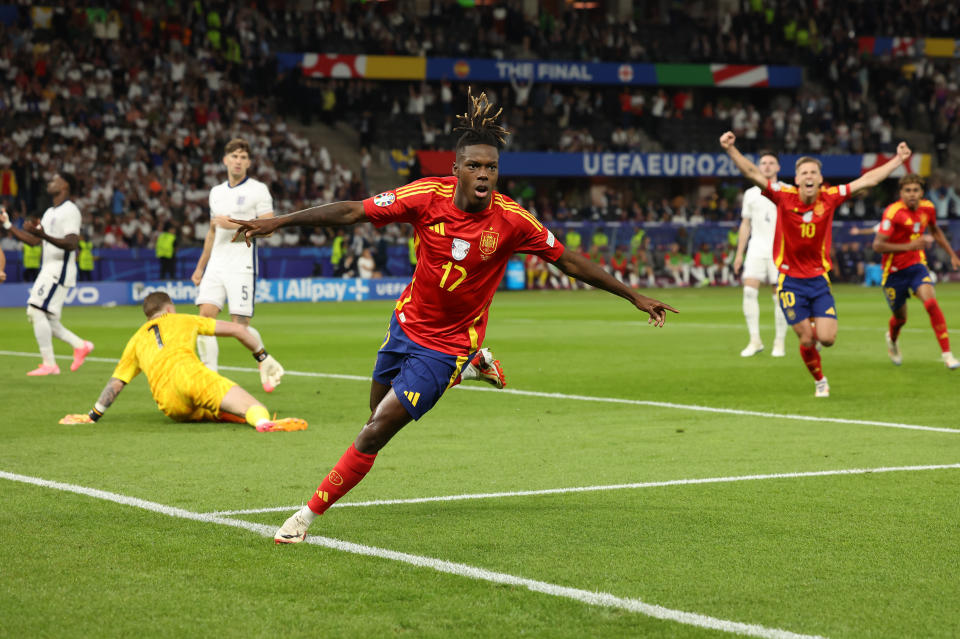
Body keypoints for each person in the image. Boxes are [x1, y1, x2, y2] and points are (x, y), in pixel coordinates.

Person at [229, 90, 677, 544]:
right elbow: (352, 211)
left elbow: (569, 261)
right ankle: (474, 365)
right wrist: (278, 222)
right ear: (456, 169)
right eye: (475, 166)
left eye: (492, 168)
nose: (484, 174)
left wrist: (633, 295)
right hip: (405, 325)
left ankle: (302, 519)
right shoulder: (425, 196)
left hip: (447, 344)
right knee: (371, 415)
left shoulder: (513, 220)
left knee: (374, 433)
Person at [720, 130, 912, 397]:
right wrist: (731, 149)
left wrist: (898, 160)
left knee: (828, 339)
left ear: (820, 179)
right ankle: (820, 380)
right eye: (804, 173)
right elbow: (752, 172)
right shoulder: (782, 195)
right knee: (807, 338)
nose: (809, 176)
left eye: (813, 173)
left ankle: (811, 325)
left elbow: (868, 180)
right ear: (796, 179)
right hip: (790, 280)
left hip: (819, 280)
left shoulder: (830, 197)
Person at [58, 291, 305, 431]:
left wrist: (92, 415)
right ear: (170, 308)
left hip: (170, 405)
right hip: (191, 377)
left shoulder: (135, 340)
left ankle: (232, 414)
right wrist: (262, 356)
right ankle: (262, 422)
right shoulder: (182, 319)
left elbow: (117, 382)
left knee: (210, 411)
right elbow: (238, 330)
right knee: (252, 406)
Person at [191, 138, 274, 381]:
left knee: (240, 327)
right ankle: (210, 377)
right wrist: (200, 267)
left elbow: (268, 227)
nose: (238, 161)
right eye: (234, 156)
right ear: (225, 160)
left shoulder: (258, 190)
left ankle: (264, 360)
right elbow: (212, 231)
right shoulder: (216, 192)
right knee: (204, 319)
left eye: (243, 157)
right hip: (216, 263)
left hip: (242, 264)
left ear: (249, 163)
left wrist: (233, 222)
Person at [0, 173, 95, 376]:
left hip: (59, 268)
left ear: (65, 186)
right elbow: (36, 242)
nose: (50, 182)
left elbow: (72, 243)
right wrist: (8, 225)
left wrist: (42, 234)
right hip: (48, 267)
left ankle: (50, 364)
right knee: (45, 318)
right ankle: (80, 345)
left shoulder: (70, 211)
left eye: (55, 180)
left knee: (36, 310)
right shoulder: (50, 212)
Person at [873, 174, 960, 369]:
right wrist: (909, 245)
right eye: (908, 191)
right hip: (893, 273)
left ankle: (947, 355)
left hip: (916, 266)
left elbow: (935, 230)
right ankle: (893, 341)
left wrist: (952, 254)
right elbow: (877, 245)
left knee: (930, 303)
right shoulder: (892, 213)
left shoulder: (928, 208)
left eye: (915, 190)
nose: (912, 194)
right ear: (901, 193)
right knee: (900, 318)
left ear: (921, 192)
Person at [732, 151, 788, 358]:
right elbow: (745, 224)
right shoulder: (750, 194)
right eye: (763, 163)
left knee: (779, 297)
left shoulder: (787, 190)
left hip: (780, 250)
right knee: (748, 292)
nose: (766, 166)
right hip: (756, 248)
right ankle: (754, 340)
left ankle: (779, 342)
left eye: (771, 162)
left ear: (778, 167)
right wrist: (739, 254)